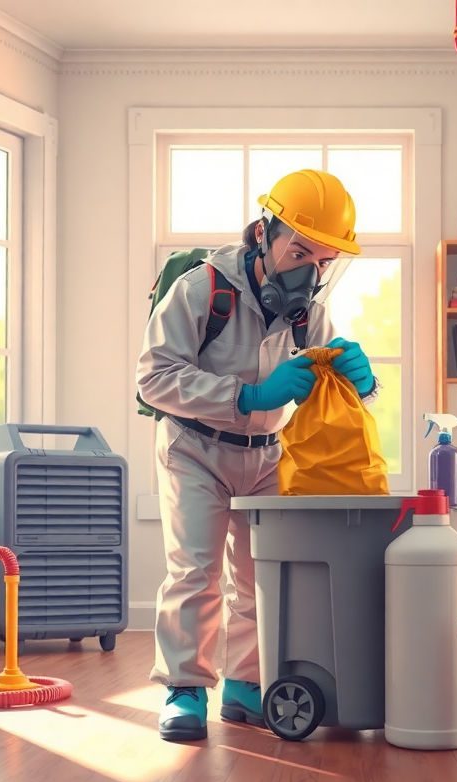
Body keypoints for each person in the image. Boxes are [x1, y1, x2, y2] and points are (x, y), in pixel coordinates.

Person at [136, 169, 377, 741]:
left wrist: (358, 384)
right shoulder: (202, 289)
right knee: (194, 570)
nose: (308, 272)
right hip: (194, 448)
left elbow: (321, 387)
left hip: (268, 455)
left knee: (258, 575)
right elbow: (153, 378)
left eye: (322, 261)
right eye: (299, 252)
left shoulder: (307, 313)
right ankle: (186, 688)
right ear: (264, 234)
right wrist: (245, 396)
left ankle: (245, 684)